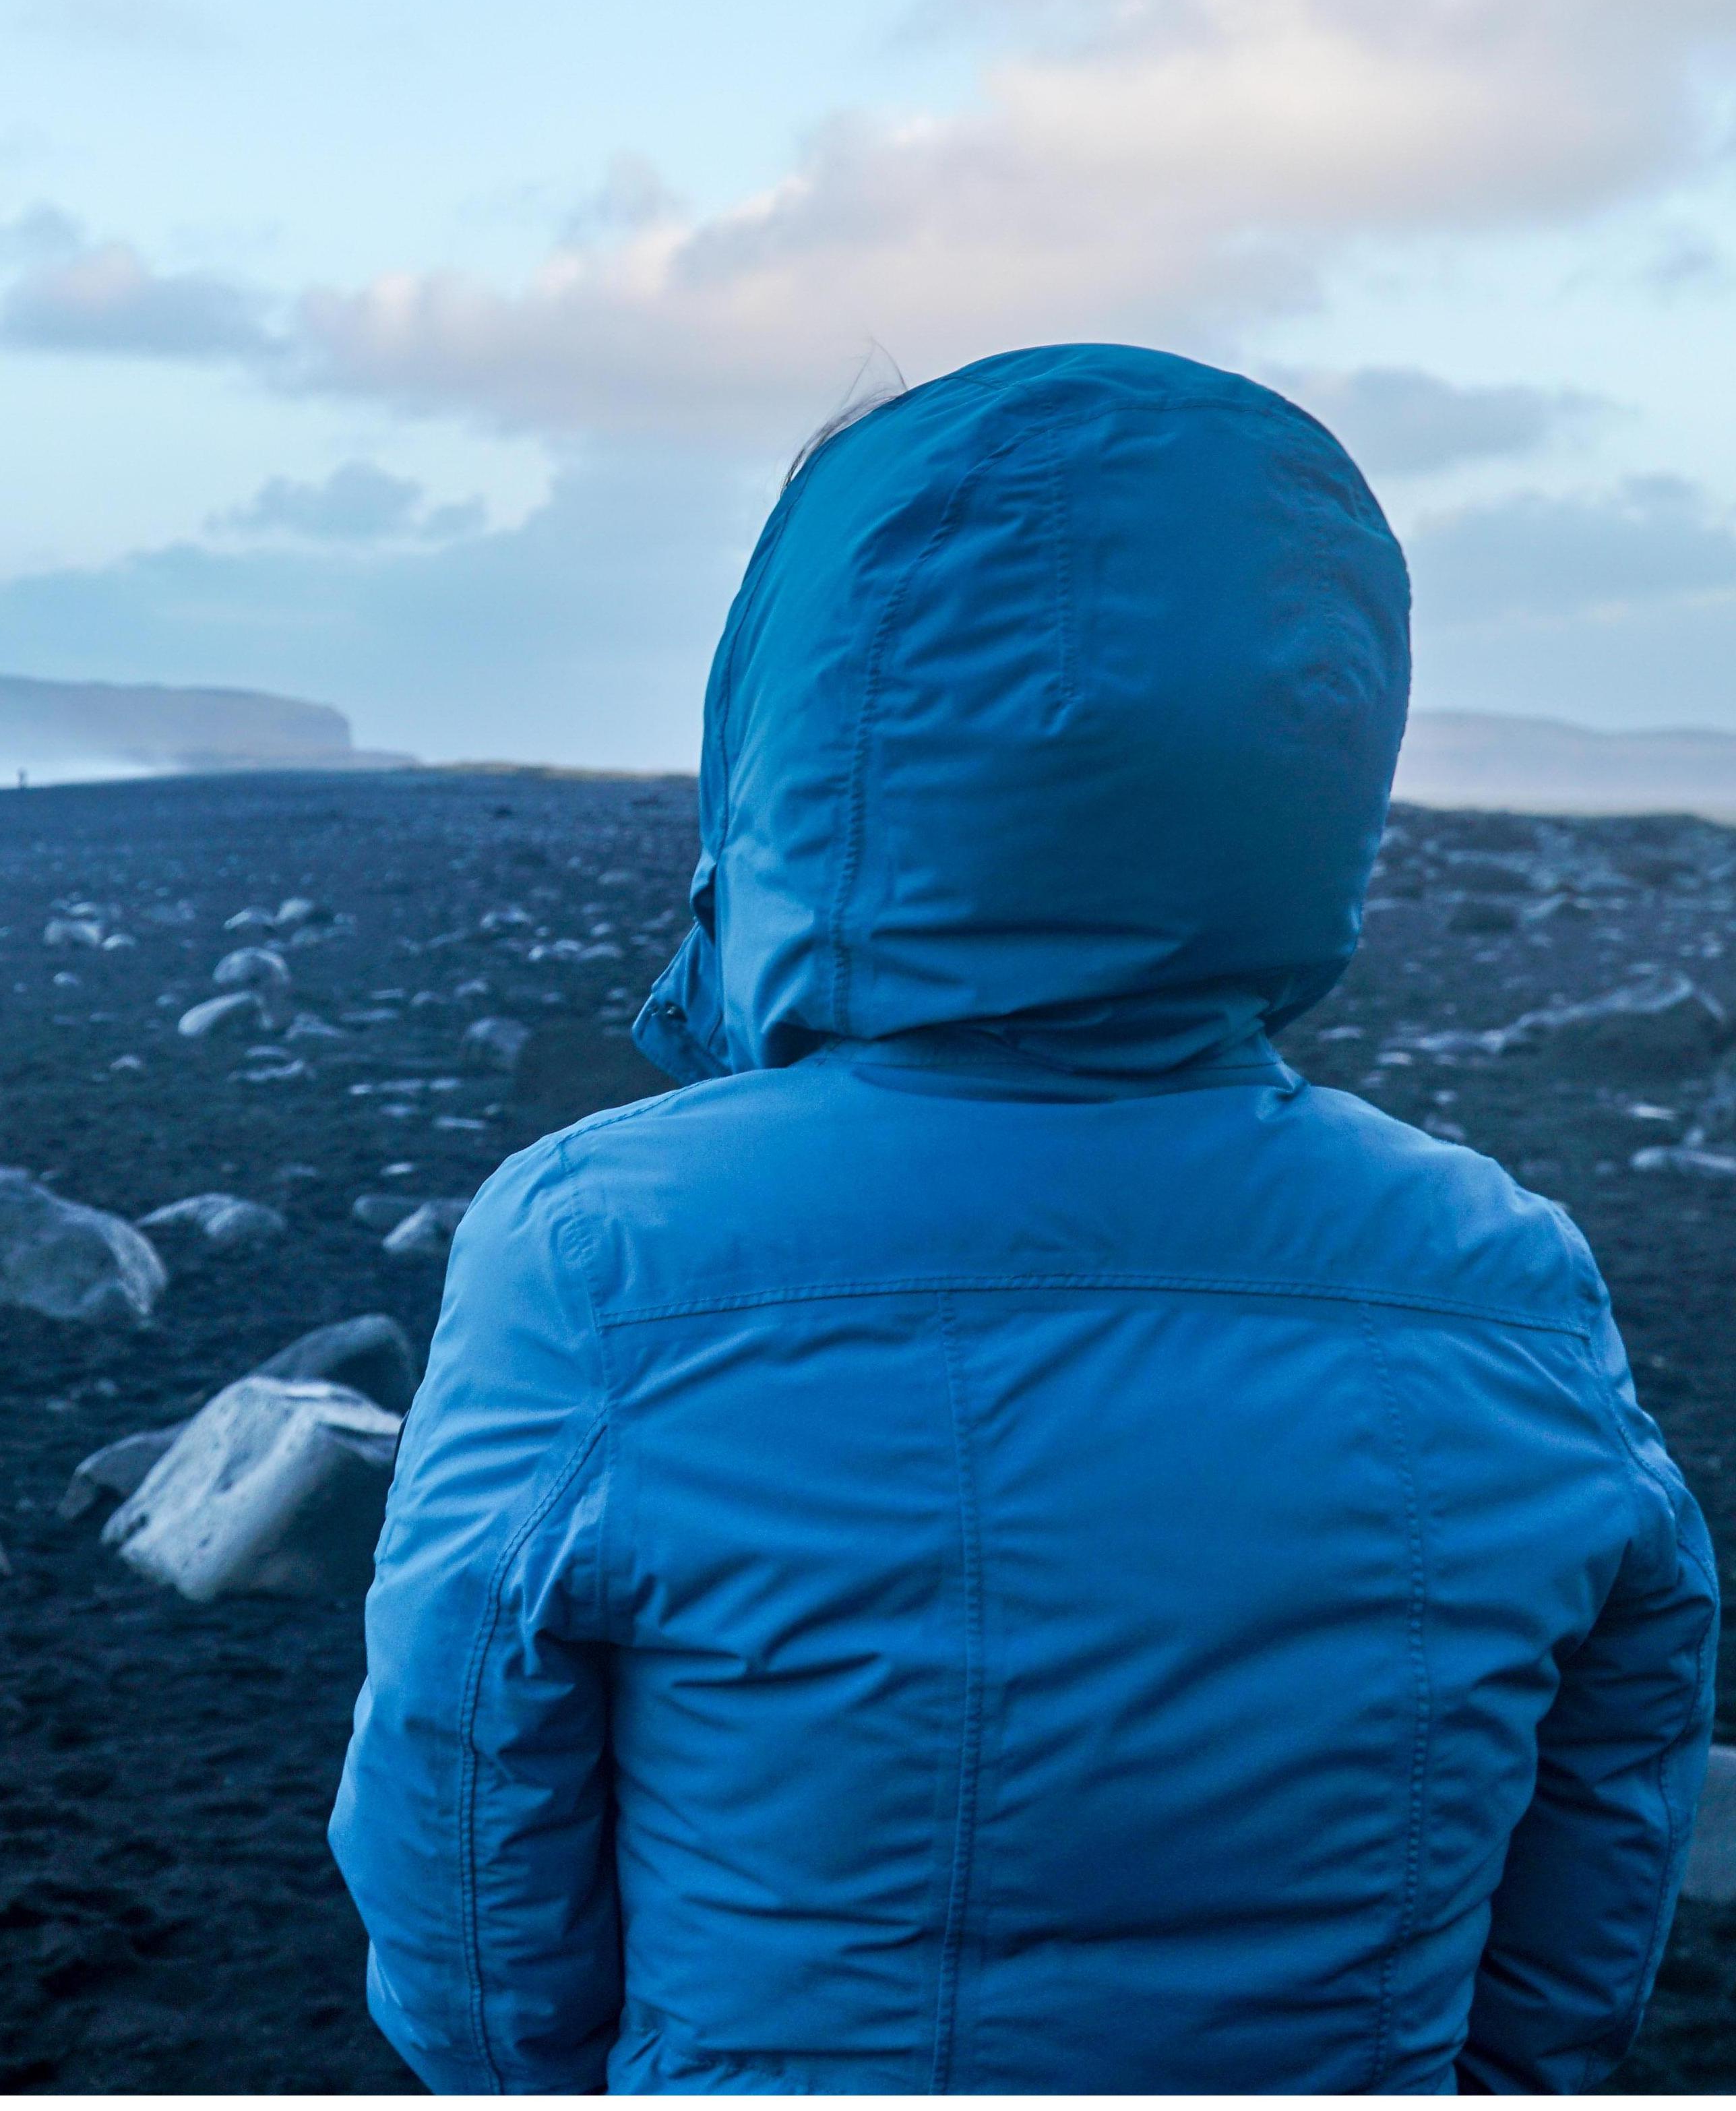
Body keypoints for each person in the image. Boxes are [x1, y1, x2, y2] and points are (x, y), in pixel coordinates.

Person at [330, 343, 1718, 2093]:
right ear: (1309, 747)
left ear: (801, 731)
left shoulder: (602, 1256)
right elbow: (1605, 1824)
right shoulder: (1504, 1278)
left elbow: (461, 1855)